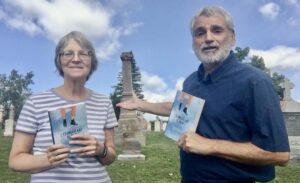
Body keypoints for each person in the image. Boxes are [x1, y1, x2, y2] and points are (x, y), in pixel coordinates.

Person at [117, 6, 290, 183]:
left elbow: (279, 154)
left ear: (232, 37)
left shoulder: (255, 82)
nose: (208, 38)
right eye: (200, 33)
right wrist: (140, 104)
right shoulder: (192, 81)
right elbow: (179, 107)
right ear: (194, 41)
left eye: (217, 30)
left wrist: (209, 145)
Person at [9, 31, 118, 183]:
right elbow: (15, 160)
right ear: (59, 60)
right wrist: (48, 159)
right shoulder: (36, 102)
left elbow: (110, 157)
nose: (76, 59)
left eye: (84, 54)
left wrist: (101, 150)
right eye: (68, 53)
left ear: (92, 61)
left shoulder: (104, 102)